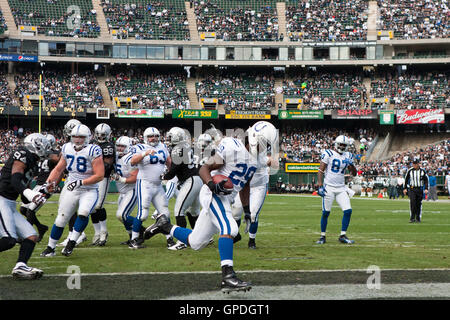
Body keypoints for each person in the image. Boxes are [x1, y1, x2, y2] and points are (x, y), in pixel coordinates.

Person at [145, 121, 278, 293]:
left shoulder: (257, 160)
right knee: (229, 228)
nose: (265, 148)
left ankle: (164, 225)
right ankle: (228, 276)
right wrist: (211, 185)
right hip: (212, 193)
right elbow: (204, 168)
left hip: (225, 198)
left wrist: (246, 210)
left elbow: (245, 185)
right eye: (265, 143)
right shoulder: (232, 147)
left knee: (196, 242)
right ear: (254, 138)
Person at [41, 124, 104, 257]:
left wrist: (81, 182)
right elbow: (58, 169)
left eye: (81, 137)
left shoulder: (93, 150)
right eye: (75, 136)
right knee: (61, 219)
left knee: (84, 213)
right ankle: (50, 247)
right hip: (72, 187)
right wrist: (48, 183)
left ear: (87, 138)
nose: (77, 139)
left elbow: (99, 175)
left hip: (89, 189)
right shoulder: (67, 148)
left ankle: (72, 242)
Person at [0, 133, 51, 279]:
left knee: (31, 235)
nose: (47, 151)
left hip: (9, 203)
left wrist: (44, 191)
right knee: (9, 240)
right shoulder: (23, 153)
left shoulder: (33, 164)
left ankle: (21, 266)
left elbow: (24, 197)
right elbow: (15, 180)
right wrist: (30, 194)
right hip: (1, 199)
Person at [128, 127, 171, 249]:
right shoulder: (140, 147)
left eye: (156, 136)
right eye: (151, 136)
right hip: (145, 184)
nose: (154, 138)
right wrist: (144, 153)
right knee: (143, 213)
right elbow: (132, 161)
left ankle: (170, 239)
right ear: (146, 138)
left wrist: (172, 173)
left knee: (165, 213)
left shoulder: (162, 147)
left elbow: (168, 161)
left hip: (158, 185)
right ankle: (134, 240)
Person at [161, 127, 203, 251]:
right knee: (193, 212)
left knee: (179, 211)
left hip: (191, 180)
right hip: (196, 179)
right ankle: (200, 238)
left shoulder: (178, 149)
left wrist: (163, 176)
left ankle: (182, 241)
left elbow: (174, 170)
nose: (168, 139)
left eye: (170, 137)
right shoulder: (186, 146)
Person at [316, 135, 357, 245]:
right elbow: (320, 170)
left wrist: (351, 164)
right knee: (326, 212)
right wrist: (320, 186)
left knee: (348, 211)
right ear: (336, 144)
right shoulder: (328, 153)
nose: (342, 147)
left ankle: (343, 235)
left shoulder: (348, 155)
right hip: (328, 187)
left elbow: (354, 173)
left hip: (341, 187)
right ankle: (322, 236)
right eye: (341, 145)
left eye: (344, 145)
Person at [19, 133, 59, 242]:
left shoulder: (54, 155)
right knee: (23, 209)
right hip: (37, 186)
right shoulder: (41, 156)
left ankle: (26, 235)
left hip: (46, 187)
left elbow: (59, 164)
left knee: (31, 211)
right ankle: (41, 228)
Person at [110, 136, 139, 245]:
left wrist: (120, 179)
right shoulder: (116, 157)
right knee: (123, 217)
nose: (120, 148)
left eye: (123, 146)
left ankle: (141, 229)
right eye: (118, 146)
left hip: (131, 190)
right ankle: (132, 237)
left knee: (122, 215)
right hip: (122, 192)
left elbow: (135, 177)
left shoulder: (130, 158)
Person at [91, 123, 116, 246]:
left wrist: (92, 168)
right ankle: (97, 232)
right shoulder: (91, 144)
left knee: (98, 206)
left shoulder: (108, 146)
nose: (100, 137)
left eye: (103, 135)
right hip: (91, 177)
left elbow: (107, 165)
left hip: (102, 178)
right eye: (99, 135)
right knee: (91, 208)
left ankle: (104, 231)